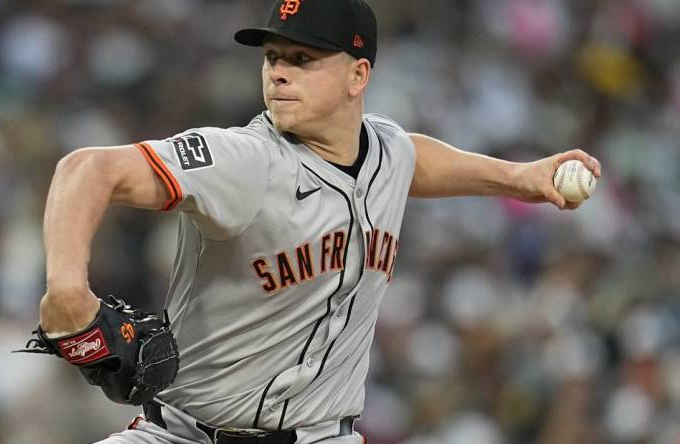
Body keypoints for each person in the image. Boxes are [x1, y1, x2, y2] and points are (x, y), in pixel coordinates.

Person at [35, 0, 602, 443]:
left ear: (358, 76)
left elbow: (411, 158)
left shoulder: (386, 152)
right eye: (272, 57)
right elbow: (87, 169)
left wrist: (521, 177)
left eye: (302, 60)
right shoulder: (245, 160)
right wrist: (66, 288)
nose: (279, 73)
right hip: (184, 435)